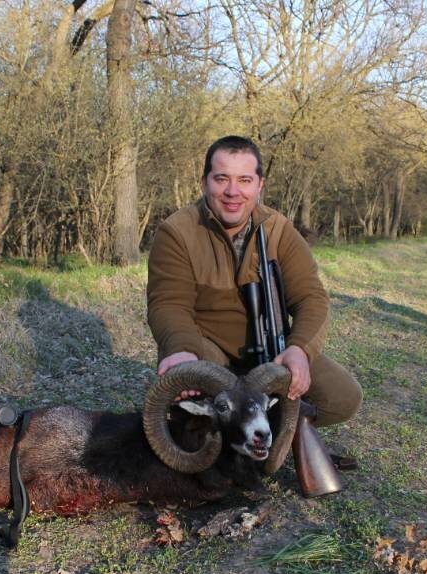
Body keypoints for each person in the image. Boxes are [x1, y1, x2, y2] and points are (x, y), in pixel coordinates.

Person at [146, 135, 362, 433]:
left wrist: (298, 349)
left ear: (260, 184)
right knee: (190, 383)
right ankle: (235, 428)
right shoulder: (176, 232)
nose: (233, 191)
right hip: (207, 351)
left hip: (274, 351)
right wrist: (182, 349)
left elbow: (312, 298)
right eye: (221, 178)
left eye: (244, 180)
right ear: (204, 182)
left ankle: (262, 429)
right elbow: (168, 304)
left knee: (342, 398)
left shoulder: (280, 230)